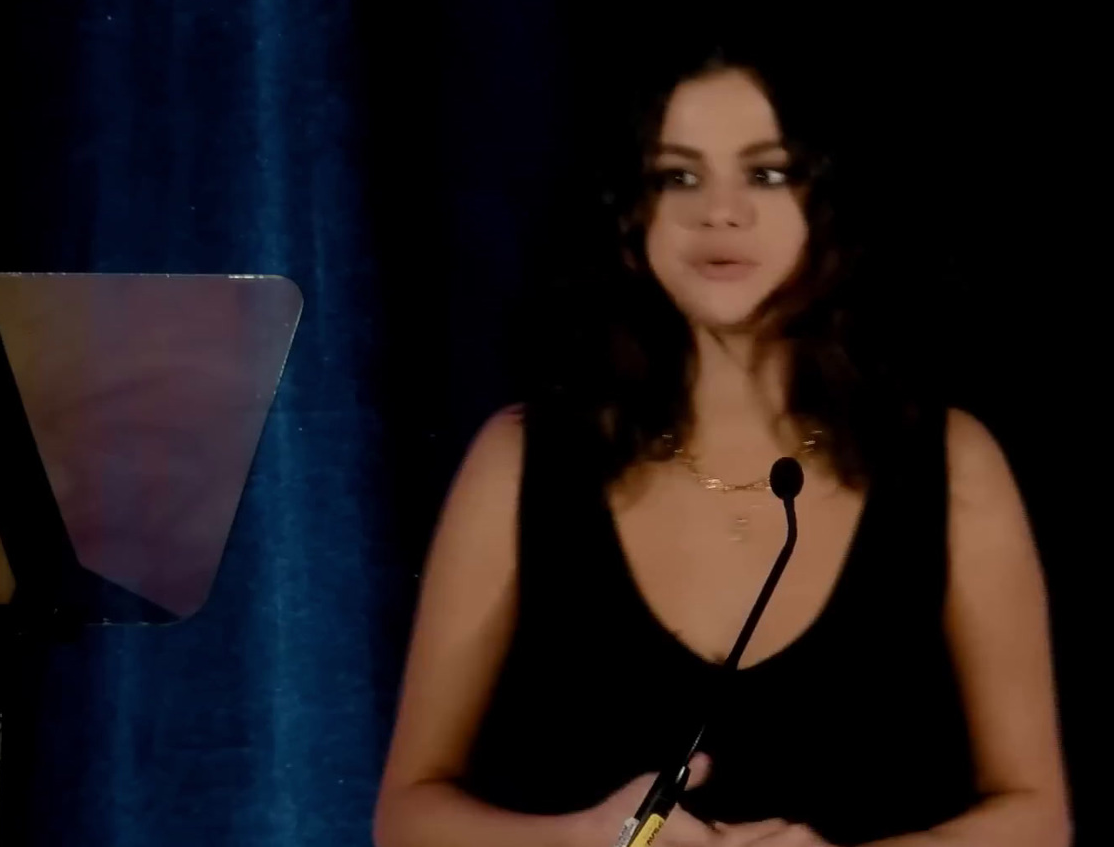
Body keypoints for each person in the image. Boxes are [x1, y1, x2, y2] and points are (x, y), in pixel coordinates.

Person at [372, 42, 1072, 847]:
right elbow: (407, 815)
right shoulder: (521, 459)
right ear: (628, 211)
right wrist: (585, 840)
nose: (719, 211)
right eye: (679, 175)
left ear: (834, 197)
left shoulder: (951, 461)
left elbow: (1036, 816)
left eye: (767, 173)